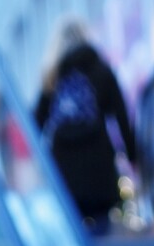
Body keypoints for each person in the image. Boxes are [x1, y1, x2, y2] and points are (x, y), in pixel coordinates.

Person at [33, 18, 136, 232]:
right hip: (99, 166)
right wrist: (133, 156)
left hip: (63, 169)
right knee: (102, 229)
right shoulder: (101, 70)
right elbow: (121, 116)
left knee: (71, 230)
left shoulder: (52, 78)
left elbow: (34, 124)